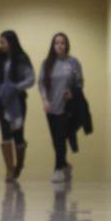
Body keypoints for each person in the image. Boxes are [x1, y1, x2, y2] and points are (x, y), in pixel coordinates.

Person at [38, 33, 84, 182]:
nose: (59, 45)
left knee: (60, 137)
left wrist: (73, 93)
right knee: (56, 140)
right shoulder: (47, 63)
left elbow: (79, 82)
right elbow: (41, 83)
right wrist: (45, 101)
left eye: (62, 43)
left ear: (66, 45)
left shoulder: (73, 63)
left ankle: (57, 169)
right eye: (57, 43)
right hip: (51, 106)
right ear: (53, 45)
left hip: (67, 107)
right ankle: (65, 165)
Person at [0, 30, 35, 180]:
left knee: (18, 134)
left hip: (17, 99)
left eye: (3, 42)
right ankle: (9, 170)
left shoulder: (22, 58)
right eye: (0, 42)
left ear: (11, 43)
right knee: (5, 133)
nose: (1, 45)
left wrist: (15, 87)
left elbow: (31, 79)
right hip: (1, 100)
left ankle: (19, 164)